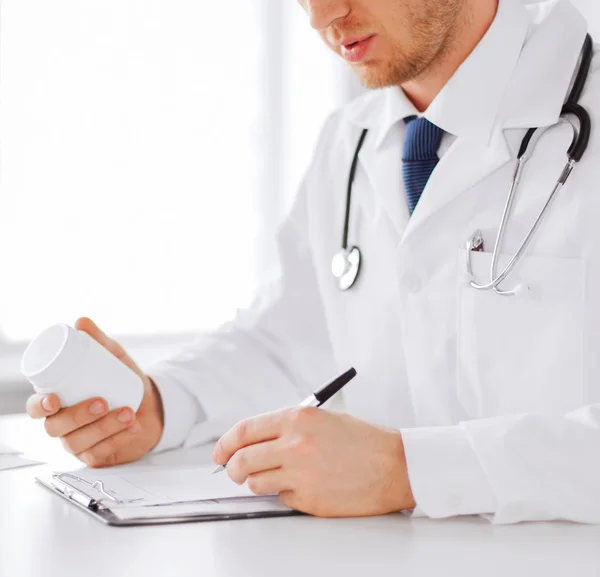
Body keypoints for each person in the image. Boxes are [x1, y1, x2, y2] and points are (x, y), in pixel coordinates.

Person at [26, 0, 600, 524]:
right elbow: (286, 339)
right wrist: (159, 406)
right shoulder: (349, 141)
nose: (322, 14)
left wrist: (411, 470)